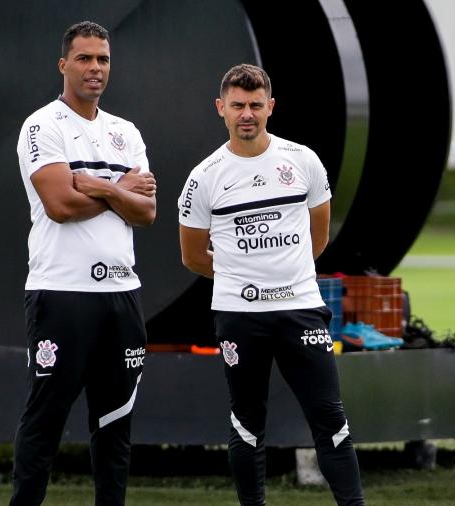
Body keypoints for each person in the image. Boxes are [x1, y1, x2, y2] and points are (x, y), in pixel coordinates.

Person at [177, 64, 365, 505]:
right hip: (240, 318)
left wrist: (286, 274)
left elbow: (319, 237)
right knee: (246, 423)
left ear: (271, 107)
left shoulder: (303, 161)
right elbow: (192, 256)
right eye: (238, 105)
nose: (247, 114)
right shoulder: (204, 177)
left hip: (301, 309)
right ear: (221, 108)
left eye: (256, 105)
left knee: (331, 420)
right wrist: (244, 279)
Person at [11, 21, 157, 506]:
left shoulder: (125, 132)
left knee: (115, 424)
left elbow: (148, 212)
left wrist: (100, 187)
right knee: (45, 419)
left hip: (121, 296)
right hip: (62, 293)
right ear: (64, 65)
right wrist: (120, 193)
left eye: (103, 60)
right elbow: (60, 206)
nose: (95, 68)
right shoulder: (42, 126)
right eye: (85, 58)